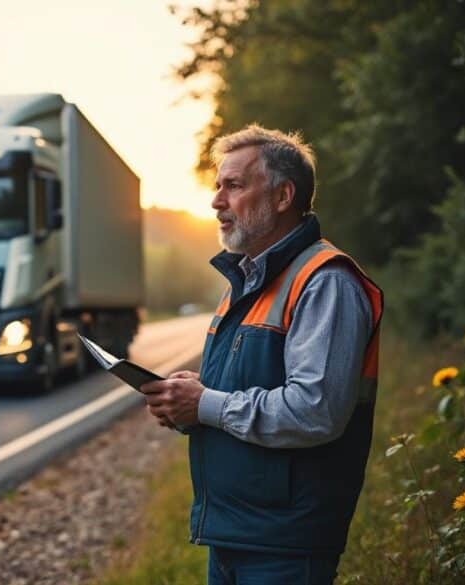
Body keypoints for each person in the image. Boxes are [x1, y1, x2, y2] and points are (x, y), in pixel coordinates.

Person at [141, 125, 383, 584]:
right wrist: (187, 405)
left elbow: (315, 411)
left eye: (233, 185)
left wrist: (205, 404)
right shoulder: (246, 283)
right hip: (236, 533)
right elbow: (231, 396)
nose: (216, 201)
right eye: (217, 187)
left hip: (286, 544)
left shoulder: (324, 281)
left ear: (282, 195)